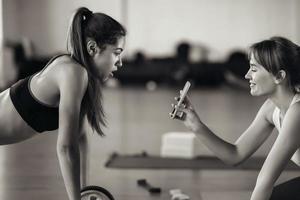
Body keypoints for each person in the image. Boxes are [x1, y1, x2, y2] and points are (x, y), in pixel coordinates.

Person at [0, 7, 126, 200]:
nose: (120, 62)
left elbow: (79, 138)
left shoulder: (80, 76)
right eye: (117, 52)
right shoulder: (73, 73)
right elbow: (66, 148)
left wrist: (82, 192)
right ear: (93, 48)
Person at [171, 36, 300, 200]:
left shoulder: (297, 112)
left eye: (253, 69)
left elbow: (265, 180)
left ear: (279, 76)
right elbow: (235, 154)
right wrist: (195, 125)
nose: (247, 75)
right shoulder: (270, 108)